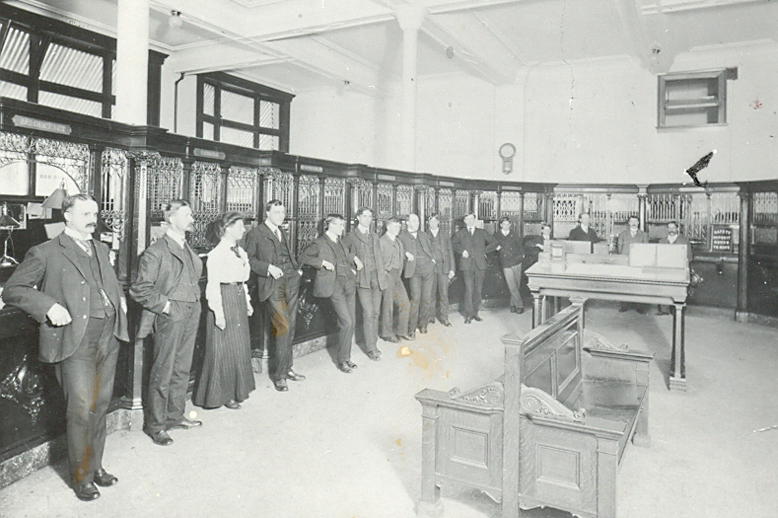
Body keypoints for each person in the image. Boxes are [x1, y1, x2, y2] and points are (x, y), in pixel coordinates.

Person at [3, 194, 129, 501]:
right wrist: (48, 306)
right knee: (81, 410)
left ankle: (96, 465)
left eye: (95, 212)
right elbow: (13, 289)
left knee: (100, 406)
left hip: (108, 336)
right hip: (75, 340)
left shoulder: (100, 248)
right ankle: (82, 476)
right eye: (85, 212)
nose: (92, 217)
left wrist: (118, 303)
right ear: (67, 216)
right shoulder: (45, 251)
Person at [130, 200, 203, 446]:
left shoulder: (186, 248)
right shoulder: (156, 251)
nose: (191, 218)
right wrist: (167, 307)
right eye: (186, 214)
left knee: (182, 367)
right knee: (163, 369)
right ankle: (157, 425)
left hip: (192, 310)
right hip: (171, 314)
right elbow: (140, 288)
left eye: (191, 214)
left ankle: (175, 415)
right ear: (171, 218)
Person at [193, 212, 255, 410]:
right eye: (239, 226)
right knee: (223, 348)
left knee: (237, 347)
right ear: (227, 228)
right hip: (223, 299)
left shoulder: (239, 251)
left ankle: (236, 391)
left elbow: (242, 280)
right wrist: (218, 313)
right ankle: (221, 395)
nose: (243, 230)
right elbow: (213, 286)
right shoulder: (217, 254)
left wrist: (246, 301)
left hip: (236, 298)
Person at [242, 200, 305, 392]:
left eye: (283, 212)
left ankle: (287, 368)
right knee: (283, 326)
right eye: (276, 212)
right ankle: (280, 376)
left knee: (291, 326)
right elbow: (249, 260)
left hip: (291, 281)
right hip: (272, 285)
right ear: (267, 213)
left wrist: (296, 270)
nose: (281, 216)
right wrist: (267, 268)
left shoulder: (281, 231)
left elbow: (287, 254)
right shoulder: (255, 234)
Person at [300, 214, 361, 373]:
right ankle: (342, 361)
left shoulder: (340, 242)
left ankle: (346, 358)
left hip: (348, 284)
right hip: (333, 286)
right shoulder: (319, 243)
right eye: (340, 224)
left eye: (342, 224)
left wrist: (352, 270)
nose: (342, 227)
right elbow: (303, 257)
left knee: (350, 322)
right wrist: (322, 263)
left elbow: (347, 258)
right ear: (330, 225)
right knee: (346, 322)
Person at [343, 207, 384, 360]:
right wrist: (354, 258)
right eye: (364, 216)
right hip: (363, 279)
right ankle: (371, 348)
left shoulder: (374, 235)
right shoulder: (351, 235)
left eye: (370, 216)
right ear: (358, 218)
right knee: (368, 313)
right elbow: (341, 250)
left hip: (376, 278)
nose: (367, 219)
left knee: (375, 313)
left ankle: (374, 342)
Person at [451, 213, 498, 324]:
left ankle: (475, 313)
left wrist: (483, 251)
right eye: (468, 219)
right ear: (465, 221)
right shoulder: (460, 233)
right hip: (467, 265)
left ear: (474, 220)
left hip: (480, 265)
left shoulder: (481, 232)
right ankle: (468, 314)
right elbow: (452, 244)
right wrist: (462, 251)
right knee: (469, 289)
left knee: (478, 290)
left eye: (472, 219)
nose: (470, 221)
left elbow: (495, 242)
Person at [398, 213, 436, 337]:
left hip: (428, 269)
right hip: (414, 271)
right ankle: (411, 329)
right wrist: (405, 253)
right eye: (414, 221)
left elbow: (432, 248)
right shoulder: (401, 235)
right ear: (407, 222)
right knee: (415, 299)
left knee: (427, 298)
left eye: (418, 221)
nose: (417, 223)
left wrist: (433, 261)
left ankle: (423, 324)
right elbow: (397, 248)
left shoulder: (423, 235)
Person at [379, 217, 411, 342]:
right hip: (387, 276)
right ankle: (387, 333)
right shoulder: (382, 241)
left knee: (405, 304)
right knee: (388, 305)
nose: (397, 229)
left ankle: (401, 331)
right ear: (388, 227)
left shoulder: (398, 242)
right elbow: (378, 260)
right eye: (395, 226)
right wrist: (386, 270)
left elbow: (399, 256)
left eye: (399, 227)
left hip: (397, 276)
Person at [657, 220, 693, 315]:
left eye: (673, 228)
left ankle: (676, 310)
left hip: (678, 269)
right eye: (669, 228)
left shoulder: (684, 241)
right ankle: (664, 310)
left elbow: (689, 256)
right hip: (665, 269)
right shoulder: (662, 241)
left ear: (677, 229)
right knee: (664, 287)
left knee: (678, 289)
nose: (671, 230)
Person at [426, 214, 455, 327]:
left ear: (438, 222)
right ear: (428, 223)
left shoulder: (445, 235)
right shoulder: (425, 235)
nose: (433, 223)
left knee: (444, 294)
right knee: (430, 293)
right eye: (431, 221)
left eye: (435, 221)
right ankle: (431, 316)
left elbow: (450, 252)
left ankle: (445, 317)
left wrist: (452, 269)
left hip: (444, 268)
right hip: (431, 269)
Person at [617, 215, 649, 313]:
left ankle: (639, 306)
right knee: (624, 283)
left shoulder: (644, 235)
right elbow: (619, 248)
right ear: (629, 223)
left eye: (636, 221)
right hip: (626, 261)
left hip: (639, 262)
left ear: (638, 222)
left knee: (639, 283)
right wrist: (623, 258)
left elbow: (646, 249)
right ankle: (624, 305)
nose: (634, 223)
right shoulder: (623, 234)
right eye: (632, 221)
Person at [494, 217, 526, 314]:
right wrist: (496, 247)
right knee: (512, 285)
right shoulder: (496, 235)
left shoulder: (514, 234)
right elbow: (490, 244)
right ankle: (520, 305)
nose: (506, 226)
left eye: (508, 224)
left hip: (517, 260)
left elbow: (520, 246)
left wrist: (522, 255)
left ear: (510, 225)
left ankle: (513, 304)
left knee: (516, 284)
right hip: (506, 262)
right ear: (501, 225)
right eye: (504, 224)